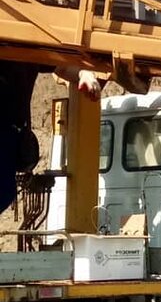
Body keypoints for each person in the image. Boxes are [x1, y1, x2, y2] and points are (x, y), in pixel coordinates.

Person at [0, 61, 102, 214]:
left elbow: (61, 66)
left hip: (11, 137)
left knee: (5, 191)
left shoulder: (29, 46)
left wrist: (83, 74)